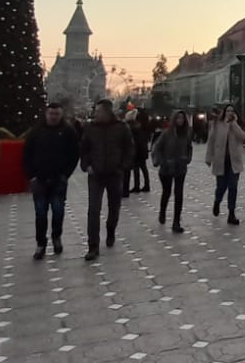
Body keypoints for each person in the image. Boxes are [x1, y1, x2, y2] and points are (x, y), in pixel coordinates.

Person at [22, 100, 81, 258]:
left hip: (58, 179)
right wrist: (31, 176)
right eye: (51, 113)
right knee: (40, 213)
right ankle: (41, 243)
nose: (53, 117)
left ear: (61, 115)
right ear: (46, 114)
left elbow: (74, 154)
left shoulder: (68, 131)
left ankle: (56, 237)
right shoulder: (36, 131)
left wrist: (65, 174)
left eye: (56, 114)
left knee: (58, 210)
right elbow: (26, 154)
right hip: (39, 179)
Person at [79, 99, 133, 259]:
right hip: (95, 174)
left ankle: (111, 230)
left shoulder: (121, 127)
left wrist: (122, 167)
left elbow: (129, 148)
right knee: (93, 210)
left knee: (114, 207)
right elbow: (83, 148)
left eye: (98, 111)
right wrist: (86, 165)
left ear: (107, 112)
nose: (95, 114)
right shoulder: (90, 128)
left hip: (114, 174)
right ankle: (93, 246)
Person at [152, 109, 194, 232]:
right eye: (177, 118)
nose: (180, 120)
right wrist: (161, 161)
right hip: (166, 168)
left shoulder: (186, 133)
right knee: (166, 192)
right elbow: (157, 148)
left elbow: (189, 148)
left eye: (182, 118)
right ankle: (162, 212)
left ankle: (176, 221)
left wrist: (187, 158)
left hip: (180, 167)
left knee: (179, 194)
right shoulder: (166, 134)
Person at [207, 106, 245, 224]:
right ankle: (217, 202)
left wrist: (233, 123)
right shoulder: (217, 124)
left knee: (233, 187)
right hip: (221, 160)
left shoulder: (237, 124)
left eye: (232, 111)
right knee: (221, 187)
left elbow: (243, 137)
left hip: (234, 161)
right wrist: (209, 158)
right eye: (228, 111)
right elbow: (211, 141)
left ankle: (231, 213)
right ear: (224, 112)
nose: (230, 113)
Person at [125, 108, 151, 195]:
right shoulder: (139, 124)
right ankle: (146, 185)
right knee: (143, 168)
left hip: (137, 150)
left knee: (136, 169)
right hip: (142, 149)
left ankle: (137, 186)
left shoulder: (132, 126)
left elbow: (133, 140)